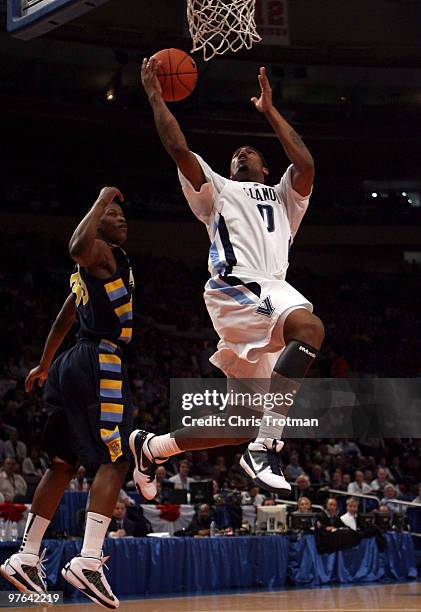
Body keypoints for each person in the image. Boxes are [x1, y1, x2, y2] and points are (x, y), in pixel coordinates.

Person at [130, 57, 323, 501]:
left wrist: (270, 112)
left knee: (239, 420)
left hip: (268, 296)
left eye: (250, 152)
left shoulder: (285, 198)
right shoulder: (216, 188)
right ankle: (266, 446)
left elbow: (307, 164)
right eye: (237, 153)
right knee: (310, 327)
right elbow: (179, 149)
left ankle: (153, 447)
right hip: (238, 288)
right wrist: (155, 95)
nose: (241, 153)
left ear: (267, 169)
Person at [0, 187, 134, 609]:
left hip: (68, 364)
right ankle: (89, 559)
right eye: (112, 216)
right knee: (115, 458)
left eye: (119, 215)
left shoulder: (87, 277)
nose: (121, 219)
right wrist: (99, 199)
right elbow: (77, 246)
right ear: (98, 226)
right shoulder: (101, 255)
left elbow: (65, 315)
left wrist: (43, 363)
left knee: (62, 463)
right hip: (100, 359)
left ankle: (25, 554)